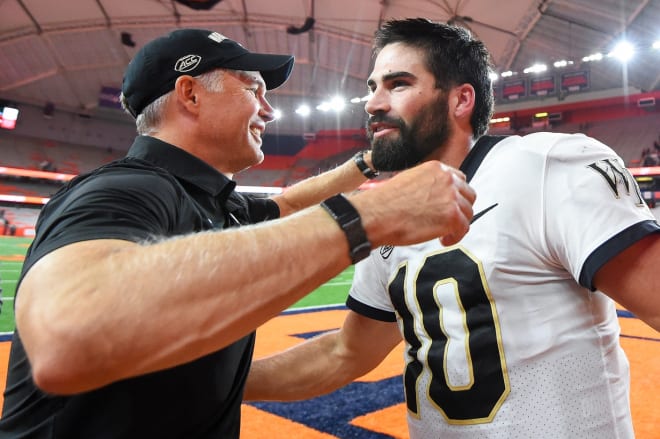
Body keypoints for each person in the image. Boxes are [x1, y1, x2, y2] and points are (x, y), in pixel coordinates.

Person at [0, 28, 476, 438]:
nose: (268, 110)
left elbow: (289, 203)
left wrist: (371, 161)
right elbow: (67, 337)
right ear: (190, 94)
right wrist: (369, 214)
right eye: (253, 88)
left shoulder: (211, 199)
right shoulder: (122, 189)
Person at [244, 18, 660, 438]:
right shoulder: (391, 211)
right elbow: (343, 352)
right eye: (372, 87)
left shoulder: (545, 165)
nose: (373, 103)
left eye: (398, 84)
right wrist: (226, 385)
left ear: (461, 100)